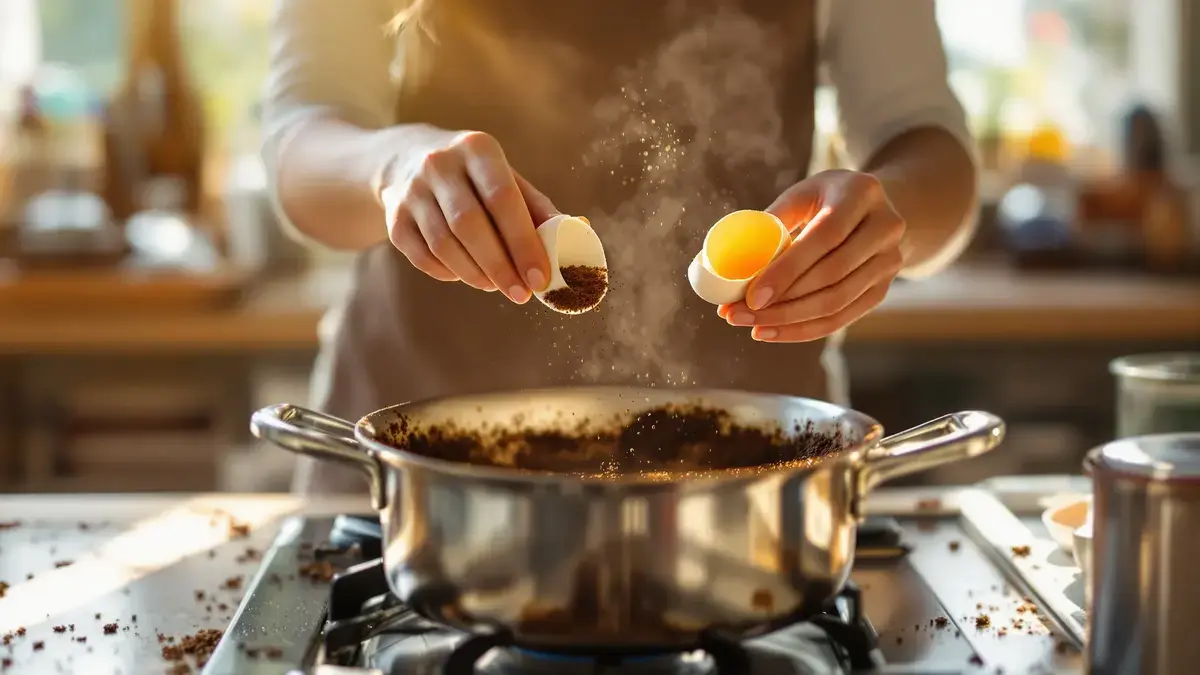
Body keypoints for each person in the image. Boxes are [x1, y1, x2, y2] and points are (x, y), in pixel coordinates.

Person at [263, 0, 979, 494]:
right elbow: (301, 141)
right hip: (415, 467)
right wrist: (389, 169)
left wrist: (890, 221)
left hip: (755, 476)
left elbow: (921, 135)